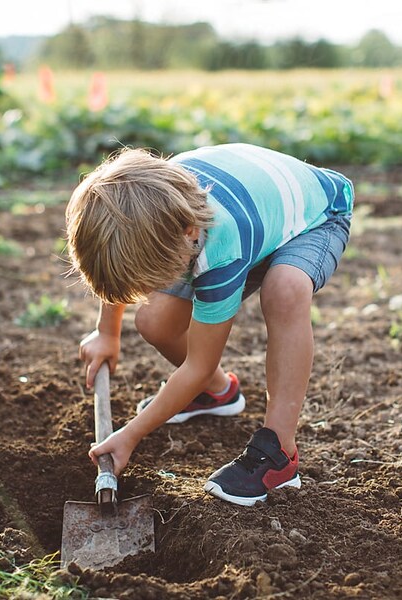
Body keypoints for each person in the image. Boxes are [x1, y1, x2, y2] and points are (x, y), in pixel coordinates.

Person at [67, 143, 353, 506]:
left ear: (187, 234)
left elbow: (197, 365)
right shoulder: (151, 205)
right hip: (247, 214)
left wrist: (130, 435)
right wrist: (107, 333)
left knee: (285, 290)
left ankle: (279, 453)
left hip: (316, 217)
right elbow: (119, 263)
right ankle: (218, 393)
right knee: (155, 321)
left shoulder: (220, 247)